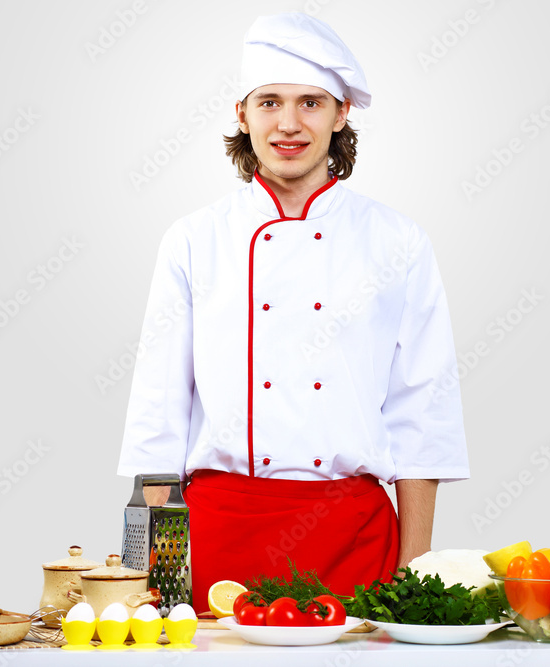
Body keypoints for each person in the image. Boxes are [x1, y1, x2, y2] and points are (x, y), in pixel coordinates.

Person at [117, 12, 469, 613]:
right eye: (270, 102)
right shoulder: (194, 239)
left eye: (310, 103)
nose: (288, 124)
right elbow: (159, 416)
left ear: (341, 115)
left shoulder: (398, 242)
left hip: (354, 540)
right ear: (242, 113)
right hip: (216, 537)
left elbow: (422, 417)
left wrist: (415, 574)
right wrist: (155, 579)